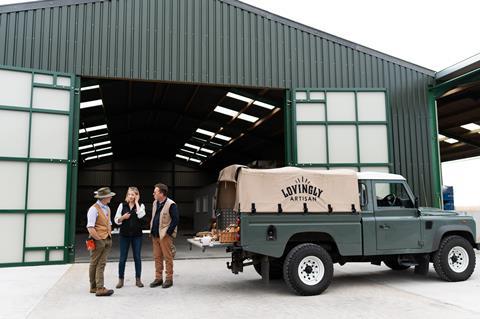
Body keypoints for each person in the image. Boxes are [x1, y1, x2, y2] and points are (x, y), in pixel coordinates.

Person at [114, 187, 146, 289]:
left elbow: (141, 216)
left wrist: (136, 203)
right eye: (129, 194)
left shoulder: (141, 206)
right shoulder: (122, 205)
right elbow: (116, 220)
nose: (131, 196)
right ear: (127, 195)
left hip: (137, 236)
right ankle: (120, 279)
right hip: (124, 235)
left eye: (133, 194)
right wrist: (123, 217)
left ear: (137, 195)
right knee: (122, 258)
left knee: (137, 257)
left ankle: (138, 279)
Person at [86, 187, 116, 297]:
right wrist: (99, 239)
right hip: (98, 240)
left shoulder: (107, 208)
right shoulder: (93, 209)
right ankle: (99, 288)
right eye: (109, 196)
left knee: (100, 263)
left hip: (107, 238)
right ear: (104, 197)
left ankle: (95, 287)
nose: (111, 197)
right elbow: (90, 227)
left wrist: (109, 233)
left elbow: (109, 222)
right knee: (96, 263)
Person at [149, 183, 179, 289]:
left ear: (161, 193)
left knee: (168, 257)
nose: (153, 193)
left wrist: (168, 233)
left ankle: (169, 279)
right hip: (155, 235)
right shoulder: (155, 203)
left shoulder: (171, 204)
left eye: (155, 192)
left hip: (165, 236)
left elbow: (175, 220)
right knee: (157, 257)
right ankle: (158, 278)